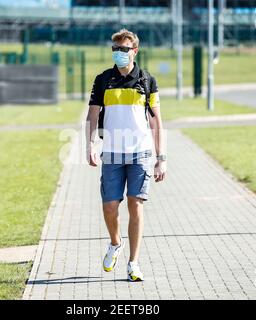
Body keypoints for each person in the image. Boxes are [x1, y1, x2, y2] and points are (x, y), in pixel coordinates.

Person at [85, 29, 166, 282]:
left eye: (124, 49)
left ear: (135, 51)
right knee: (109, 206)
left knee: (135, 205)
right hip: (111, 152)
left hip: (140, 153)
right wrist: (89, 145)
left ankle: (133, 263)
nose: (119, 53)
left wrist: (160, 157)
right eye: (115, 49)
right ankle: (115, 243)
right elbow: (93, 115)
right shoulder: (102, 79)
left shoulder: (147, 80)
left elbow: (156, 123)